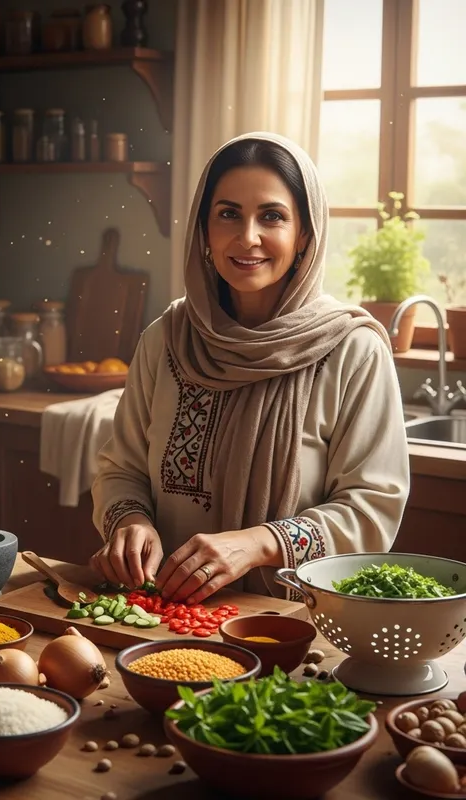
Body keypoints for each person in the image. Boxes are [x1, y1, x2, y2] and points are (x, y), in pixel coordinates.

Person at [90, 131, 409, 604]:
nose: (248, 237)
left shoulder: (353, 351)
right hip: (166, 616)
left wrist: (260, 543)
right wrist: (131, 521)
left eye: (272, 216)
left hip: (290, 624)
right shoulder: (166, 340)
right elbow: (121, 468)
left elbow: (370, 510)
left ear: (305, 235)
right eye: (228, 214)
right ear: (204, 230)